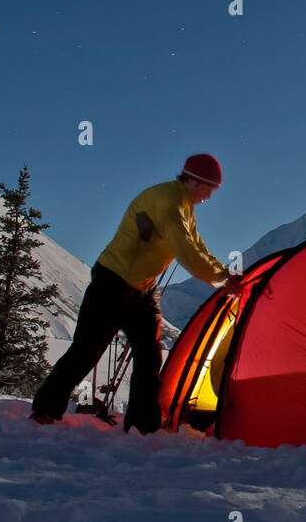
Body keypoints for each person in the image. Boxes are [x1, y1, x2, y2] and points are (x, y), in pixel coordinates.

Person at [30, 153, 243, 433]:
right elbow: (187, 253)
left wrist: (224, 275)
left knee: (150, 354)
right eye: (207, 189)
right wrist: (222, 280)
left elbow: (197, 246)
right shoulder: (168, 203)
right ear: (191, 180)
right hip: (113, 282)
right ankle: (44, 411)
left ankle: (143, 423)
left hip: (141, 288)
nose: (209, 196)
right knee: (86, 350)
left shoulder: (184, 204)